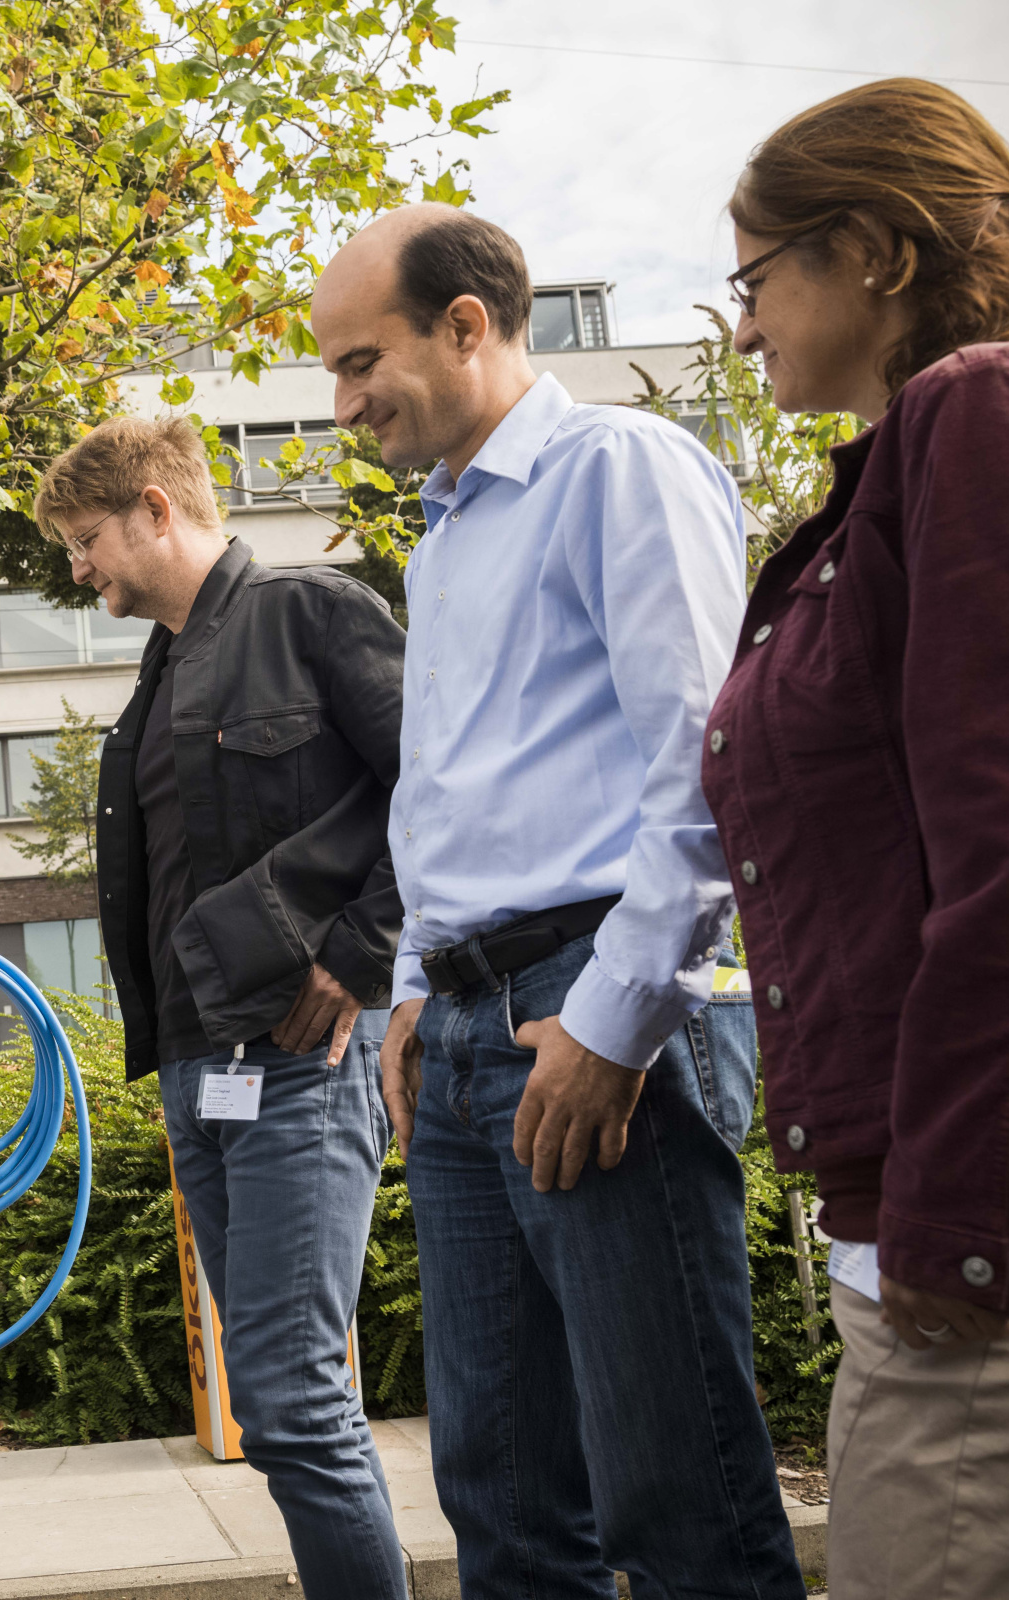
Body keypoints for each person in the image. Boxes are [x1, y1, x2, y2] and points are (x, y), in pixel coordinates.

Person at [702, 78, 1009, 1597]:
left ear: (872, 252)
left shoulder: (1000, 409)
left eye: (754, 276)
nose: (742, 326)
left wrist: (962, 1219)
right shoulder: (935, 453)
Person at [312, 205, 807, 1596]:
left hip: (591, 1015)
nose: (345, 406)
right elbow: (447, 792)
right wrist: (412, 990)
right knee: (504, 1504)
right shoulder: (446, 528)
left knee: (679, 1499)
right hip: (468, 1034)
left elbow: (708, 771)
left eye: (363, 364)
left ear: (468, 324)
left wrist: (618, 1023)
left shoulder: (622, 469)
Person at [33, 414, 412, 1597]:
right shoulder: (158, 676)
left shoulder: (312, 612)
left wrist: (361, 952)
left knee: (294, 1395)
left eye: (86, 540)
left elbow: (439, 784)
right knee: (271, 1397)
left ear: (155, 507)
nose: (77, 569)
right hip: (200, 1072)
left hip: (307, 1058)